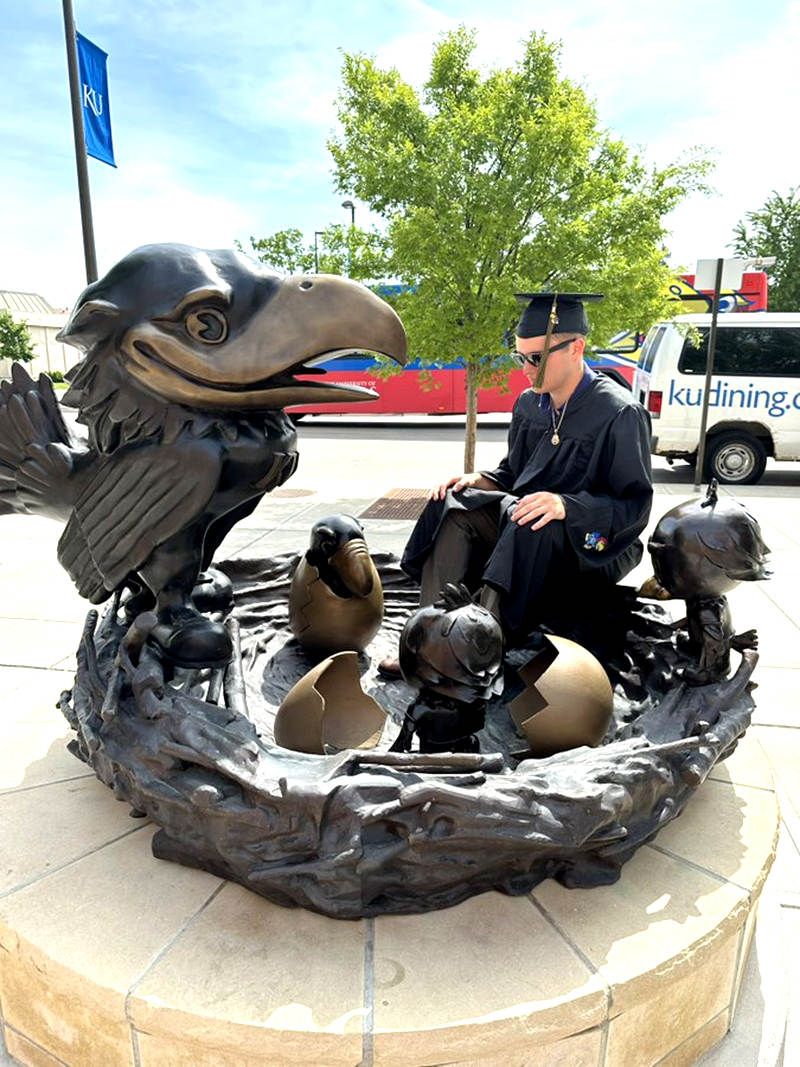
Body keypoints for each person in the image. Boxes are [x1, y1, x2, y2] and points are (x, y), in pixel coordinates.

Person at [379, 292, 653, 676]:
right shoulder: (529, 404)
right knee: (456, 505)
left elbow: (634, 506)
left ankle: (476, 647)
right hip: (528, 528)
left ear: (577, 348)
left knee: (530, 519)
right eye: (520, 357)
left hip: (593, 542)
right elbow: (514, 474)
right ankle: (430, 636)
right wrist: (481, 480)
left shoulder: (619, 413)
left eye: (536, 358)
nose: (526, 368)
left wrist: (568, 506)